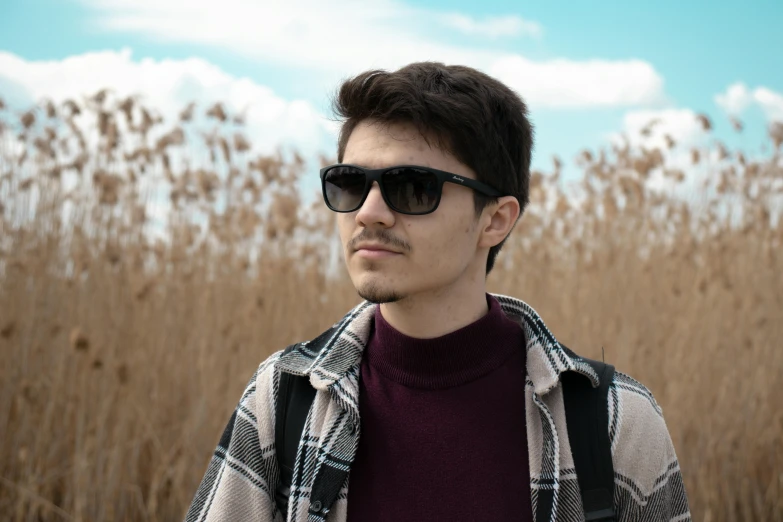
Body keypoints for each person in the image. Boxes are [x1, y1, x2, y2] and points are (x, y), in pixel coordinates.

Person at [185, 62, 691, 522]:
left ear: (495, 220)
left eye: (411, 187)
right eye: (349, 183)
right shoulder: (282, 399)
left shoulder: (612, 421)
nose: (368, 212)